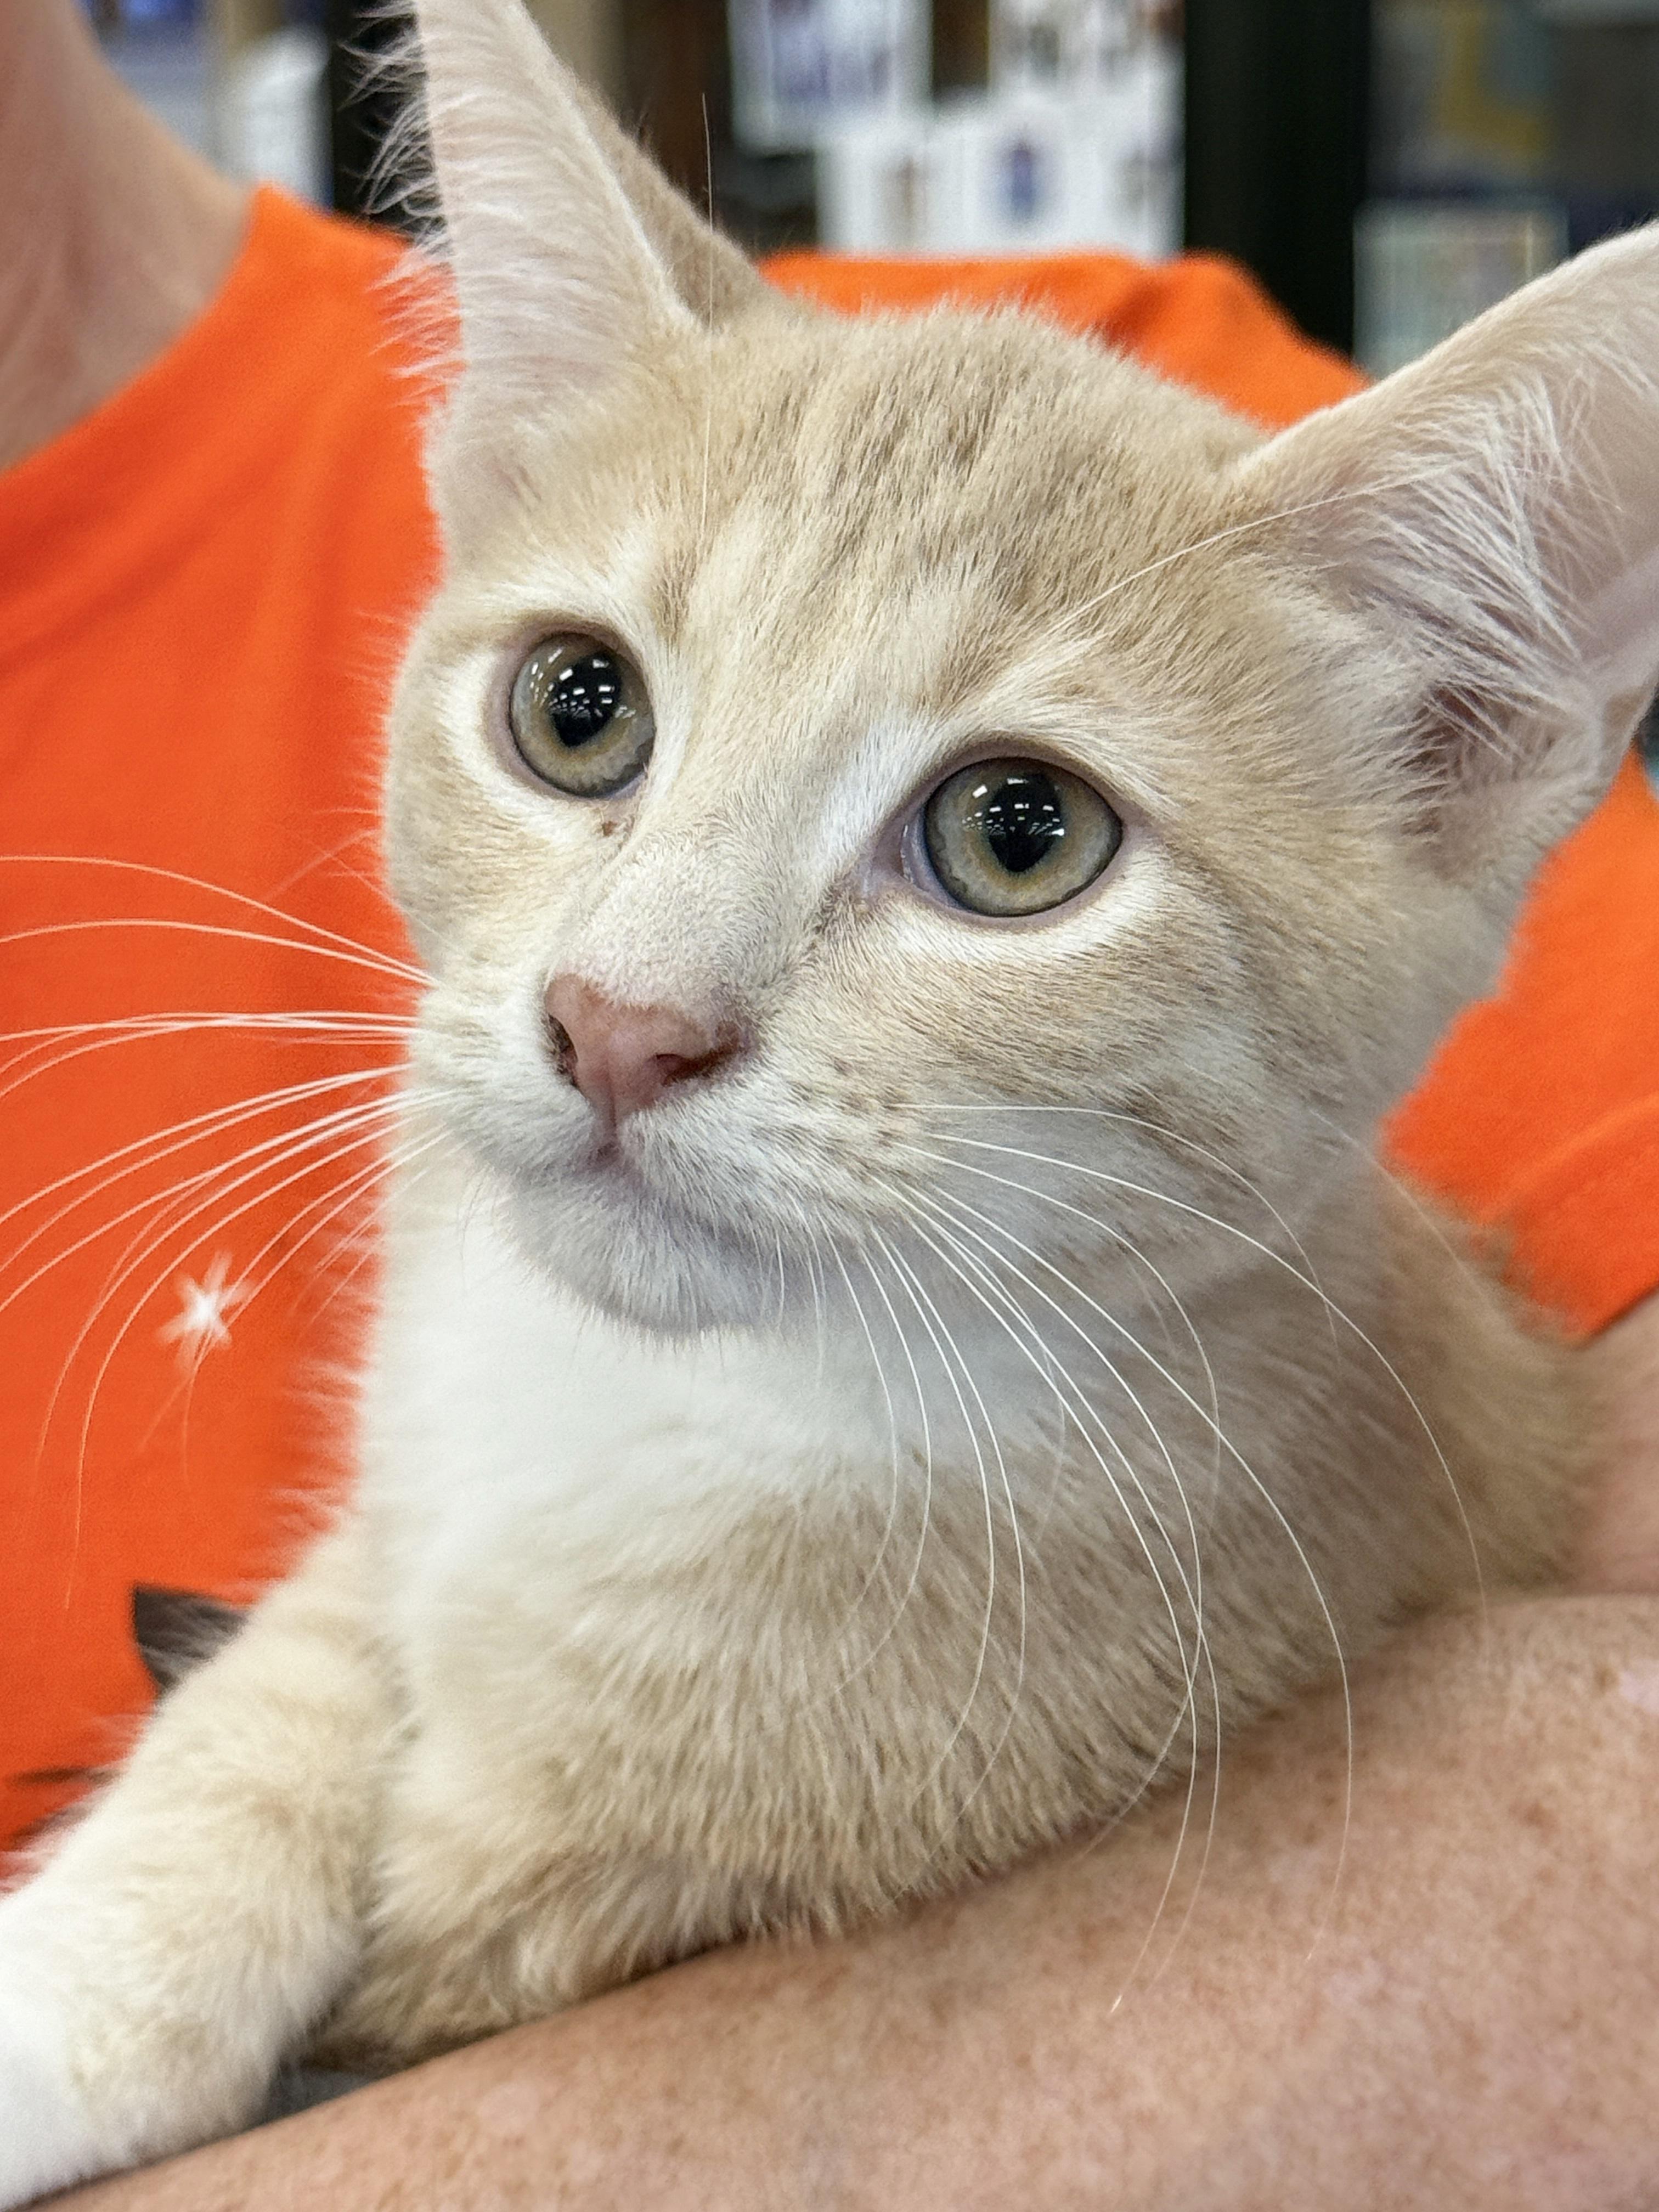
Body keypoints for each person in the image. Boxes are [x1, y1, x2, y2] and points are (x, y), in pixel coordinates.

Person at [4, 3, 1658, 2203]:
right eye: (585, 716)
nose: (627, 996)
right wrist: (174, 1914)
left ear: (1454, 747)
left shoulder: (1158, 1565)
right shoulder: (491, 1106)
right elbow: (387, 1593)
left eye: (1011, 833)